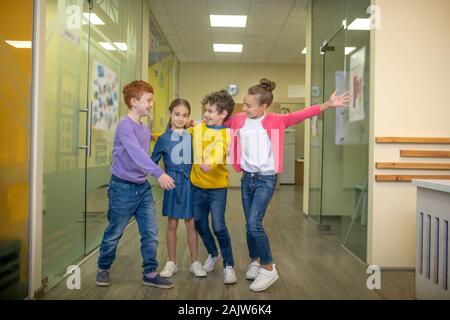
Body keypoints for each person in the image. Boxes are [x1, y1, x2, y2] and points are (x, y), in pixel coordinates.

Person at [226, 78, 351, 292]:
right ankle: (255, 261)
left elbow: (302, 114)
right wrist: (193, 123)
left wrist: (328, 104)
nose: (244, 108)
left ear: (263, 106)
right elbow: (218, 121)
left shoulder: (276, 120)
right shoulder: (239, 120)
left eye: (249, 105)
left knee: (255, 223)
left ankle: (268, 267)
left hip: (266, 179)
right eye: (244, 104)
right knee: (249, 223)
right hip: (247, 178)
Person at [95, 80, 176, 289]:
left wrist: (162, 135)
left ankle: (149, 272)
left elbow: (144, 141)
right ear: (133, 101)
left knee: (150, 232)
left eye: (151, 100)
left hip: (142, 188)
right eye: (148, 100)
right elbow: (136, 153)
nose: (151, 104)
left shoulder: (142, 126)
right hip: (122, 188)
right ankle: (103, 267)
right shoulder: (124, 125)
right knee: (115, 231)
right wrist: (158, 173)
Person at [151, 98, 207, 278]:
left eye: (184, 115)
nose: (180, 118)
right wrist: (160, 175)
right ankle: (171, 262)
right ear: (170, 114)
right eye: (177, 114)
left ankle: (194, 262)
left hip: (189, 183)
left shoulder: (192, 136)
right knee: (172, 224)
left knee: (191, 224)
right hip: (172, 184)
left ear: (189, 117)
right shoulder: (163, 138)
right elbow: (152, 162)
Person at [190, 90, 237, 284]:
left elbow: (221, 150)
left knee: (218, 226)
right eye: (205, 110)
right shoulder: (199, 128)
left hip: (217, 189)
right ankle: (212, 253)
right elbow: (177, 135)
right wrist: (154, 136)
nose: (206, 114)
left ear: (223, 114)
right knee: (200, 224)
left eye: (210, 111)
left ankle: (228, 265)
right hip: (197, 187)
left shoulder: (226, 133)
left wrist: (212, 161)